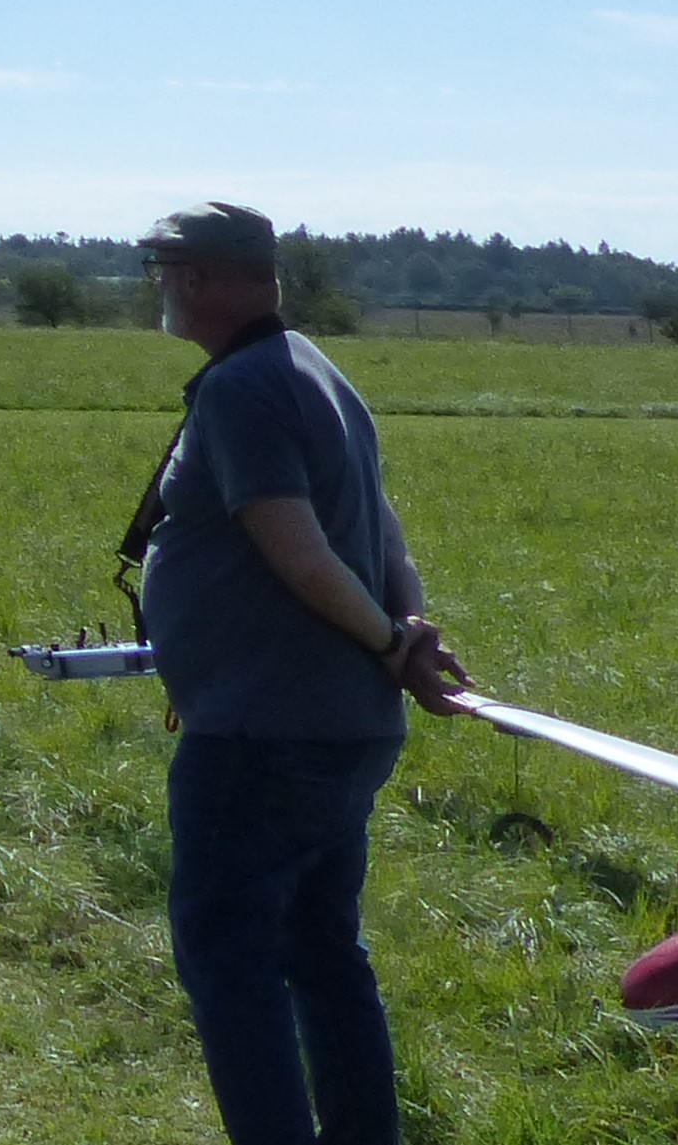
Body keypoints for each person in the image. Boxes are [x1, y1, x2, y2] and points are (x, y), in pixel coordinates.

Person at [134, 202, 467, 1145]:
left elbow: (301, 551)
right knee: (324, 952)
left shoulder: (242, 388)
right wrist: (406, 633)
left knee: (231, 962)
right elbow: (384, 532)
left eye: (164, 271)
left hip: (262, 737)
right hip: (334, 726)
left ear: (197, 277)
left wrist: (391, 642)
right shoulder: (317, 369)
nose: (160, 289)